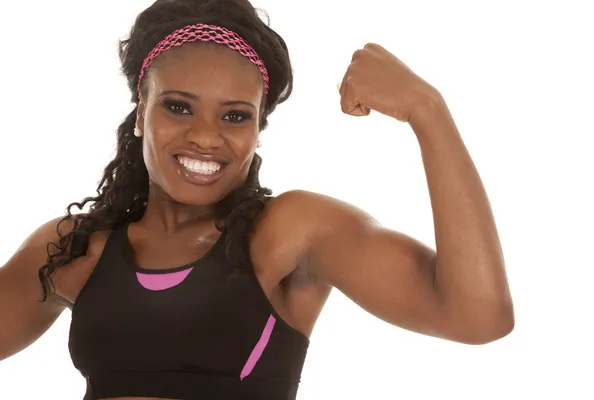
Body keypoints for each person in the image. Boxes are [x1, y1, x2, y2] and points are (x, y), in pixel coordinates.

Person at [0, 0, 514, 399]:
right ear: (140, 115)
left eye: (234, 116)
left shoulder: (289, 234)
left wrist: (428, 112)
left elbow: (479, 316)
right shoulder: (76, 249)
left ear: (258, 131)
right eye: (178, 107)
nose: (205, 137)